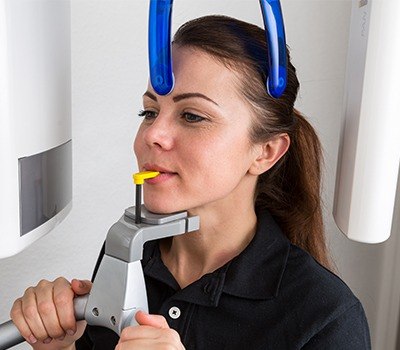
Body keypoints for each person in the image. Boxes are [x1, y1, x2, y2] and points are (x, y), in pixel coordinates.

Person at [10, 15, 371, 349]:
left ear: (265, 151)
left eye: (192, 116)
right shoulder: (127, 253)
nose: (154, 134)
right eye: (149, 112)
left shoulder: (326, 319)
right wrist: (61, 346)